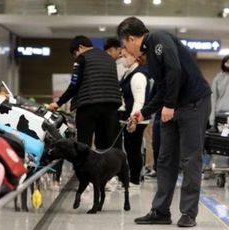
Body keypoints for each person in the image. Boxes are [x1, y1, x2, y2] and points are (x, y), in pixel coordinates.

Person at [117, 17, 211, 227]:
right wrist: (143, 113)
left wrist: (168, 105)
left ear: (131, 39)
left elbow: (175, 70)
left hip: (193, 103)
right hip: (173, 106)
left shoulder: (159, 39)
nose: (125, 51)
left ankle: (188, 213)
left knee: (190, 159)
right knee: (165, 159)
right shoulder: (150, 55)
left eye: (124, 45)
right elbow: (162, 88)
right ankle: (160, 211)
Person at [48, 35, 122, 150]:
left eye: (75, 53)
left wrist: (58, 103)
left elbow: (74, 85)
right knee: (105, 144)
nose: (75, 56)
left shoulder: (82, 58)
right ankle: (106, 167)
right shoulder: (109, 58)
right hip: (111, 106)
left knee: (84, 144)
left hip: (89, 106)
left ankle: (85, 168)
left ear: (80, 47)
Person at [118, 48, 151, 188]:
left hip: (137, 119)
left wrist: (134, 120)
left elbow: (139, 100)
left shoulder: (138, 75)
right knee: (130, 148)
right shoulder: (129, 72)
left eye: (125, 56)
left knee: (134, 149)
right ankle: (132, 178)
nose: (122, 59)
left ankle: (135, 180)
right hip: (131, 117)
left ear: (135, 57)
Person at [209, 55, 229, 129]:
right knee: (222, 139)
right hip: (220, 113)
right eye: (227, 62)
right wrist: (212, 120)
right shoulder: (217, 79)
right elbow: (213, 99)